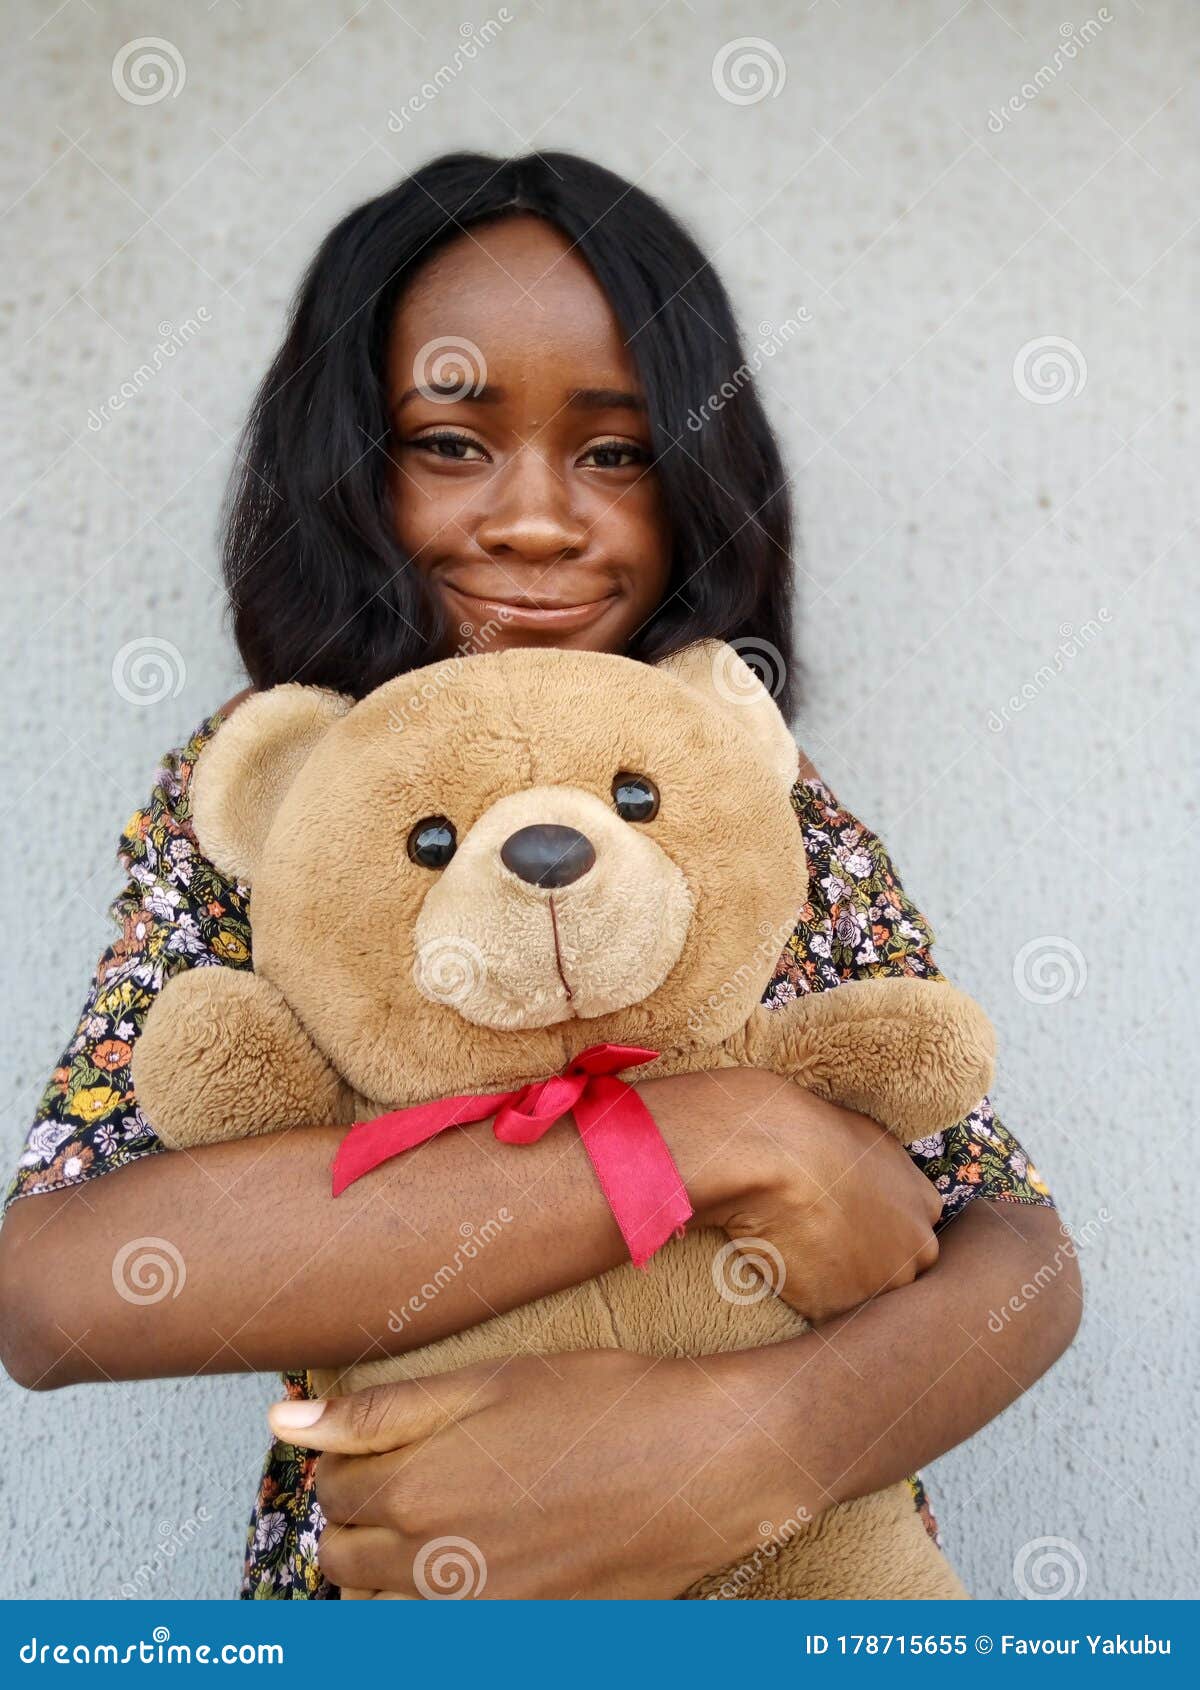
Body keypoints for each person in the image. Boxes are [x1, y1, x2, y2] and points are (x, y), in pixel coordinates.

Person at [0, 151, 1079, 1600]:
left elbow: (1011, 1253)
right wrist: (708, 1135)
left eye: (615, 451)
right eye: (451, 442)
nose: (533, 518)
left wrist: (754, 1439)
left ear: (699, 479)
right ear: (352, 467)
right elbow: (63, 1290)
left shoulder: (731, 777)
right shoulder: (279, 795)